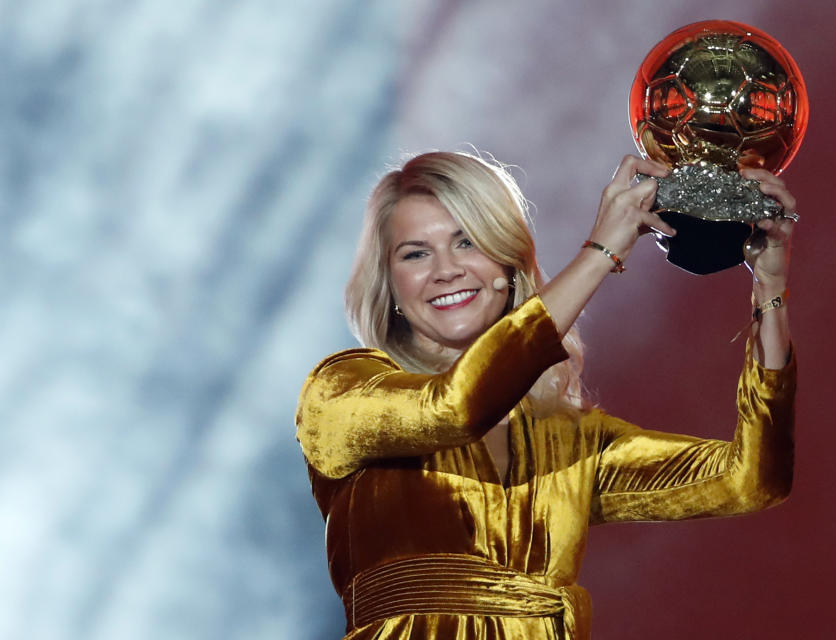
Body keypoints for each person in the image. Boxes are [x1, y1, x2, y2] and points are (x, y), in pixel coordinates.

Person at [296, 150, 796, 640]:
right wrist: (601, 252)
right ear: (391, 286)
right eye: (415, 253)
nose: (445, 269)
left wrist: (769, 290)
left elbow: (749, 479)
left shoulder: (568, 440)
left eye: (467, 242)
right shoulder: (341, 393)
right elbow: (456, 407)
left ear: (508, 263)